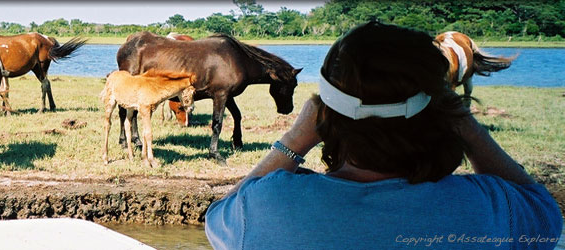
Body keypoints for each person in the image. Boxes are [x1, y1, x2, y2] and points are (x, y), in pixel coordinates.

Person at [204, 21, 562, 249]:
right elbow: (546, 215)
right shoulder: (490, 208)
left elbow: (218, 214)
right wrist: (464, 122)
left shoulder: (267, 204)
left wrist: (296, 139)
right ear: (441, 111)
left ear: (323, 116)